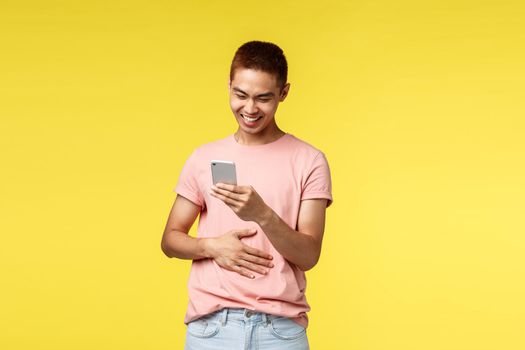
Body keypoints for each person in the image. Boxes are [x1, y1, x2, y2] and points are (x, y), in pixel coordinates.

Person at [161, 40, 333, 350]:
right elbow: (170, 240)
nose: (250, 109)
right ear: (228, 86)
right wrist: (211, 247)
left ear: (284, 93)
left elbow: (309, 256)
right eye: (240, 95)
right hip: (211, 330)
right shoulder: (203, 157)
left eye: (263, 98)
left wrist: (262, 214)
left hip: (279, 332)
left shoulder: (309, 160)